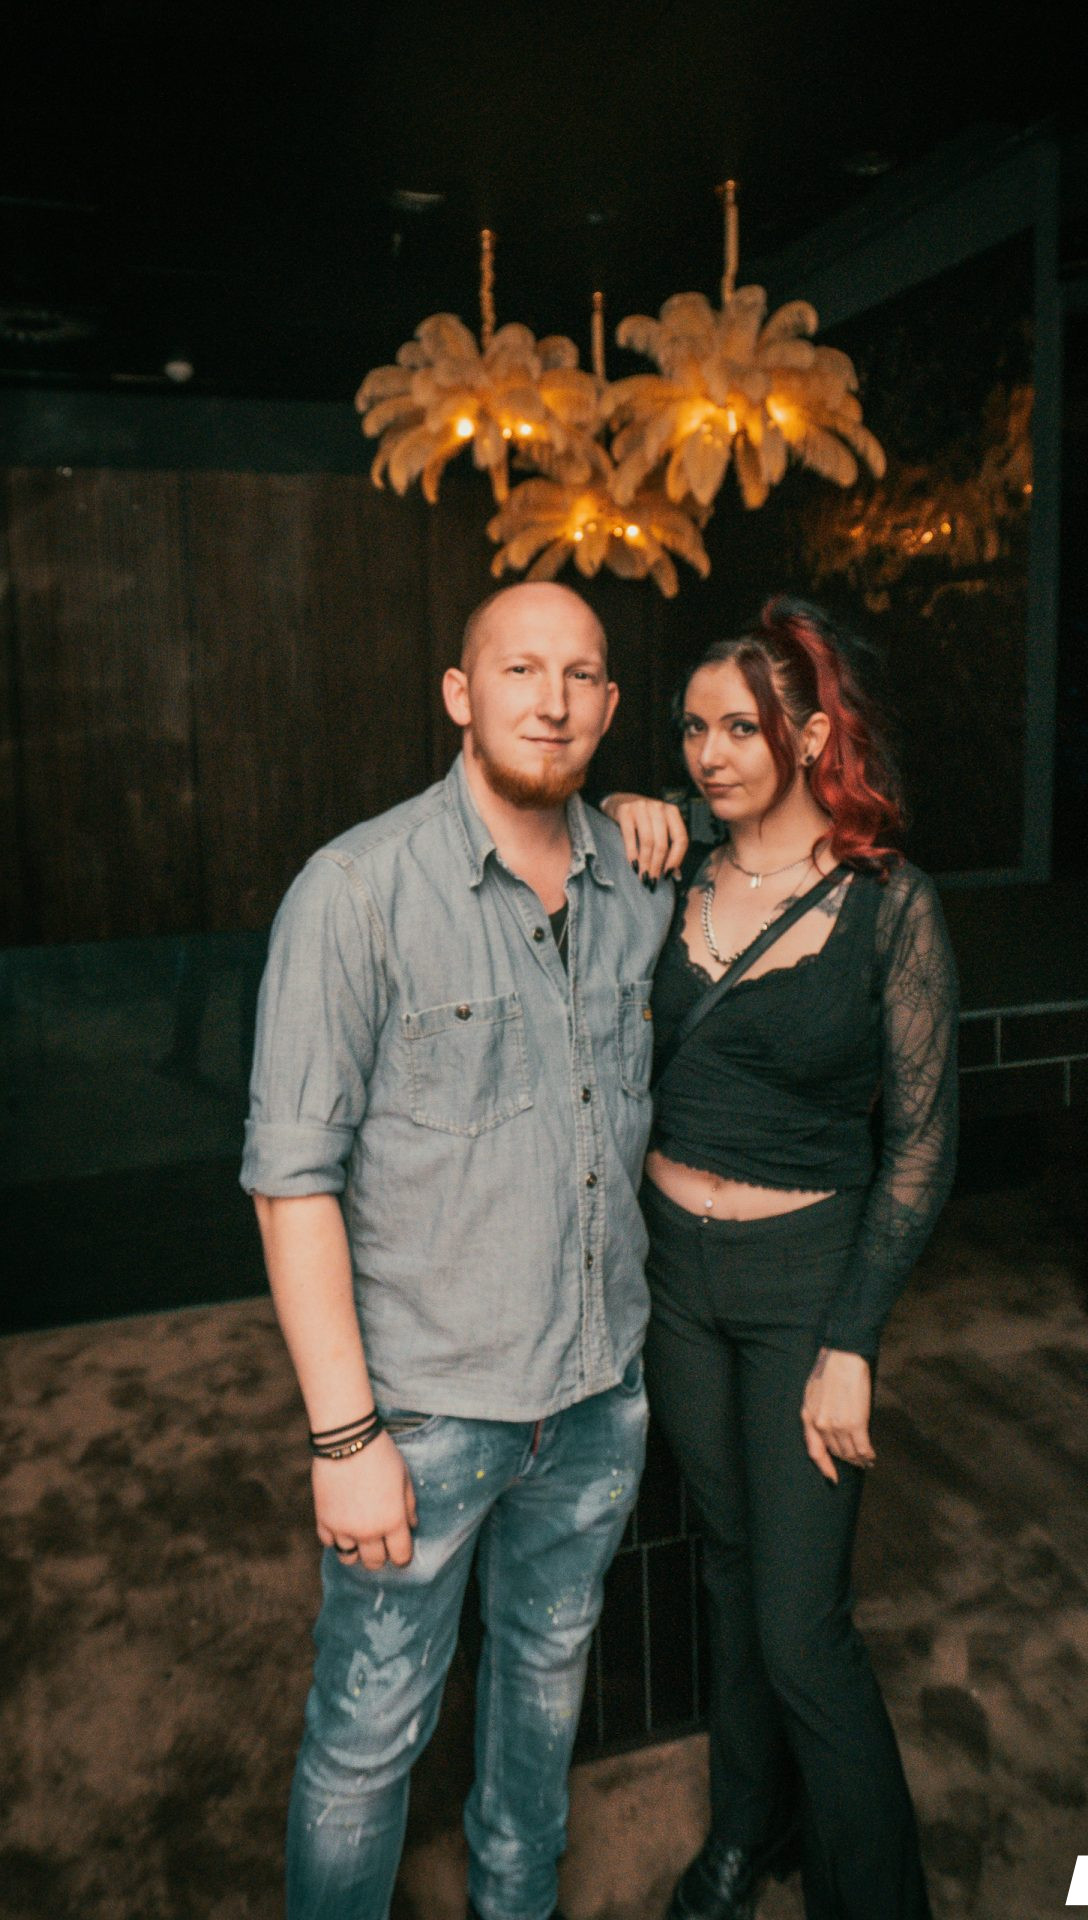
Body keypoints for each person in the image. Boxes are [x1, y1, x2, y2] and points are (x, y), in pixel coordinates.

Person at [241, 580, 673, 1920]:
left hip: (597, 1394)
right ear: (459, 693)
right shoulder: (355, 892)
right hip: (423, 1418)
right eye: (519, 670)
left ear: (609, 703)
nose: (551, 701)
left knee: (543, 1702)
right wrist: (344, 1438)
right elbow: (290, 1183)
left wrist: (668, 808)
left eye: (581, 675)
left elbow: (767, 818)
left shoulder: (638, 878)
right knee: (368, 1741)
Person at [603, 596, 958, 1920]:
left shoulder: (889, 904)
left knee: (804, 1629)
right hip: (674, 1284)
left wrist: (853, 1339)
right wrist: (627, 809)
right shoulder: (668, 873)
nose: (708, 754)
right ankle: (748, 1831)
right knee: (731, 1569)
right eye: (691, 730)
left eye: (739, 728)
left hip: (804, 1281)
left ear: (808, 736)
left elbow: (922, 1145)